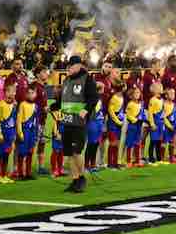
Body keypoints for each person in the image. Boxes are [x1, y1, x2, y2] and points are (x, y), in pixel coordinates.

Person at [58, 55, 100, 193]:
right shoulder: (67, 80)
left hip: (79, 122)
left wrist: (86, 109)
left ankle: (82, 178)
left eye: (72, 65)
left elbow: (94, 97)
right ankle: (75, 180)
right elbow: (63, 100)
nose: (69, 68)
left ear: (79, 66)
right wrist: (52, 107)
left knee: (77, 151)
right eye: (68, 66)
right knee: (69, 153)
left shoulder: (87, 79)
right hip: (67, 120)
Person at [0, 89, 17, 183]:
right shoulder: (1, 105)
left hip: (10, 134)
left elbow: (14, 120)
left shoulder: (13, 105)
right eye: (11, 92)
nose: (13, 94)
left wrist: (14, 133)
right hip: (2, 134)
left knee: (6, 154)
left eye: (14, 92)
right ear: (6, 93)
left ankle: (4, 175)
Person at [30, 66, 51, 175]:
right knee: (32, 143)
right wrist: (41, 108)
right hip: (35, 121)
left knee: (42, 143)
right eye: (43, 72)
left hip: (42, 120)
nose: (46, 74)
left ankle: (41, 167)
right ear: (37, 74)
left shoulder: (42, 87)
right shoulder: (34, 86)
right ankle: (26, 167)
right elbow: (30, 101)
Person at [15, 86, 40, 181]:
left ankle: (28, 172)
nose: (31, 95)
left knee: (30, 152)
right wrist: (20, 133)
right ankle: (20, 173)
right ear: (26, 94)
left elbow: (36, 120)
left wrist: (37, 132)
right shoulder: (22, 105)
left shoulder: (36, 106)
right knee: (22, 153)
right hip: (25, 132)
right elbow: (19, 120)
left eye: (32, 93)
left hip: (32, 132)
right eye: (29, 93)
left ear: (35, 94)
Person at [123, 87, 147, 168]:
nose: (137, 94)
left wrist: (145, 120)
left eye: (138, 93)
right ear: (131, 95)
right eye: (136, 93)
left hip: (139, 126)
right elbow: (128, 115)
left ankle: (137, 160)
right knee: (130, 143)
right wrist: (135, 120)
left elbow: (143, 114)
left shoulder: (141, 104)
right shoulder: (130, 104)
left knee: (138, 142)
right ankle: (128, 161)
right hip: (132, 126)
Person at [106, 87, 125, 169]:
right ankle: (110, 163)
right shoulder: (114, 98)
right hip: (113, 124)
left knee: (117, 143)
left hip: (119, 124)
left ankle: (116, 162)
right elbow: (111, 111)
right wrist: (117, 121)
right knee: (112, 143)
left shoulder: (122, 97)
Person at [147, 82, 166, 165]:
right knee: (153, 141)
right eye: (160, 87)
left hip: (161, 123)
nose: (161, 88)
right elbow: (150, 113)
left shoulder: (161, 99)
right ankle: (151, 159)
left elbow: (163, 112)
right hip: (155, 122)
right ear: (155, 90)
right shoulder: (152, 100)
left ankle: (159, 158)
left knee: (159, 141)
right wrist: (152, 123)